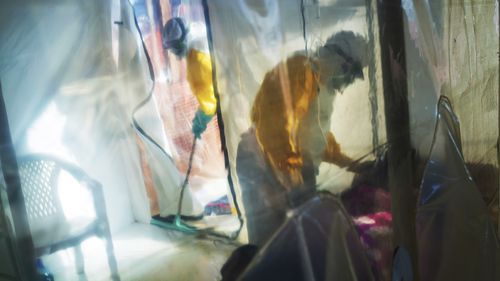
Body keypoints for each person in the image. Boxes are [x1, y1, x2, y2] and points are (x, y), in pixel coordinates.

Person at [236, 31, 368, 246]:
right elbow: (274, 129)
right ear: (339, 61)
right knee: (268, 247)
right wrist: (291, 177)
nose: (347, 82)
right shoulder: (300, 70)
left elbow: (315, 139)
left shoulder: (321, 85)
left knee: (296, 244)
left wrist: (354, 165)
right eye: (349, 74)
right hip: (261, 165)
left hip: (286, 168)